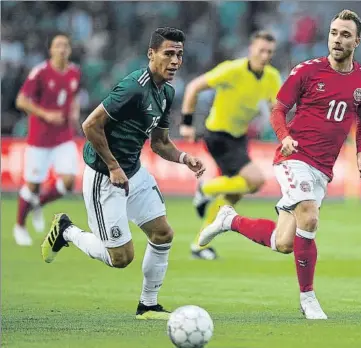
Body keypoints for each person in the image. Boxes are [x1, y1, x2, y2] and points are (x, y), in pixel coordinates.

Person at [198, 9, 361, 320]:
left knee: (283, 243)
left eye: (345, 34)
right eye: (334, 32)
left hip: (322, 168)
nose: (337, 39)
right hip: (293, 157)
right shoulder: (306, 71)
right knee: (309, 217)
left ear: (357, 41)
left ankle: (229, 220)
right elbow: (279, 109)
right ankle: (308, 299)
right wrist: (283, 137)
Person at [41, 27, 206, 320]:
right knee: (120, 258)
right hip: (105, 176)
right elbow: (91, 125)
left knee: (163, 233)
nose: (175, 61)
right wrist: (114, 166)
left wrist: (183, 158)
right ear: (151, 54)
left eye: (179, 55)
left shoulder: (166, 91)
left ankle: (148, 305)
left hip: (133, 172)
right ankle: (66, 230)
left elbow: (159, 142)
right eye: (168, 54)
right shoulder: (133, 87)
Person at [180, 31, 282, 260]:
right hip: (218, 135)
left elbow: (278, 109)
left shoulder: (272, 77)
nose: (264, 56)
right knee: (255, 181)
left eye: (269, 52)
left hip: (239, 138)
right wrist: (186, 123)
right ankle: (205, 189)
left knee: (233, 195)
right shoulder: (232, 69)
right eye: (261, 51)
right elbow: (193, 87)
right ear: (251, 49)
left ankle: (199, 245)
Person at [13, 32, 81, 246]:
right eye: (58, 45)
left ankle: (38, 204)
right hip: (39, 139)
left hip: (63, 136)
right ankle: (20, 225)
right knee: (32, 185)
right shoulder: (40, 72)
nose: (62, 49)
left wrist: (74, 113)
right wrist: (46, 114)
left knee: (69, 182)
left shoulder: (74, 73)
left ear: (69, 50)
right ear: (51, 50)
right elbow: (21, 101)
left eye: (65, 45)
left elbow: (73, 96)